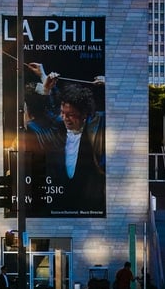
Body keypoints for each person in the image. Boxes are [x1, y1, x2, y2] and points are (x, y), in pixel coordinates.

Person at [24, 65, 106, 212]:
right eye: (63, 113)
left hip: (91, 203)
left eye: (71, 115)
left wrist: (112, 86)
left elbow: (122, 115)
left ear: (84, 115)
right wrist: (44, 78)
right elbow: (49, 108)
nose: (65, 118)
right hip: (61, 202)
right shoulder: (57, 126)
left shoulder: (98, 125)